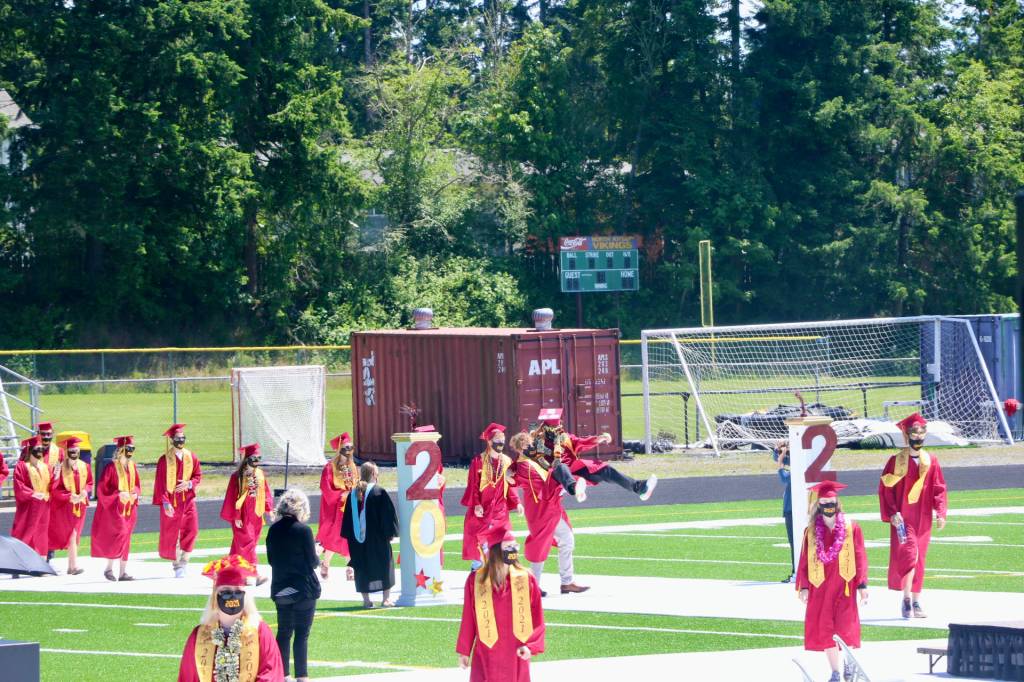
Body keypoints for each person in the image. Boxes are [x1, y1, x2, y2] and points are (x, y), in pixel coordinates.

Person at [797, 481, 868, 682]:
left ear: (837, 502)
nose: (828, 505)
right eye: (824, 502)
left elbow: (860, 555)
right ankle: (835, 671)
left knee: (845, 628)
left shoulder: (851, 527)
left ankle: (847, 661)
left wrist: (862, 585)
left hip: (844, 587)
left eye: (831, 501)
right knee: (826, 630)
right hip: (820, 588)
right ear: (818, 504)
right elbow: (803, 561)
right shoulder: (810, 532)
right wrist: (803, 587)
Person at [878, 412, 948, 619]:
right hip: (902, 519)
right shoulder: (896, 461)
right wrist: (892, 513)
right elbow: (885, 489)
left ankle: (916, 600)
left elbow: (939, 488)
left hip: (923, 518)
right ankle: (907, 598)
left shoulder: (931, 461)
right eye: (914, 435)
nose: (918, 438)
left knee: (920, 559)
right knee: (910, 554)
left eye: (921, 434)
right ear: (907, 437)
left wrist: (941, 512)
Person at [177, 554, 284, 682]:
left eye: (238, 591)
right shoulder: (199, 635)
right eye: (226, 591)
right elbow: (189, 676)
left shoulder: (260, 631)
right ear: (215, 596)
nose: (233, 597)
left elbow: (271, 674)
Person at [456, 529, 545, 681]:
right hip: (486, 651)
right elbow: (469, 618)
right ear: (496, 551)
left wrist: (531, 646)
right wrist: (464, 651)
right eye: (508, 547)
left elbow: (537, 617)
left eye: (514, 546)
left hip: (515, 651)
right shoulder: (476, 581)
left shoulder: (526, 579)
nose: (513, 550)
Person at [508, 431, 588, 595]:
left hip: (552, 507)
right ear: (520, 449)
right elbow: (540, 488)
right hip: (540, 510)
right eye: (526, 445)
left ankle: (567, 582)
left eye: (530, 444)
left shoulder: (534, 462)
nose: (530, 446)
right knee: (540, 546)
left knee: (567, 539)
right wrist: (559, 486)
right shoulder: (524, 466)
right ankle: (533, 586)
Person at [532, 408, 657, 501]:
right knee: (560, 466)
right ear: (546, 428)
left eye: (559, 426)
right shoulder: (538, 443)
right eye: (554, 428)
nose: (558, 430)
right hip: (554, 478)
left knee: (605, 470)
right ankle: (574, 488)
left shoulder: (565, 437)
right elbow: (537, 462)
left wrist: (599, 438)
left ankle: (640, 488)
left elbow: (582, 441)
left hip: (574, 471)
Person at [267, 489, 321, 682]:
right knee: (302, 634)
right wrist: (318, 556)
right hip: (303, 588)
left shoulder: (273, 530)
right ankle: (302, 676)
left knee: (283, 632)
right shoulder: (303, 530)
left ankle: (283, 674)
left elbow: (271, 560)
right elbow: (313, 562)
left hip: (281, 587)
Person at [461, 423, 523, 568]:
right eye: (497, 439)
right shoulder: (478, 461)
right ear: (489, 441)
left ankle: (509, 574)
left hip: (500, 511)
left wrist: (518, 502)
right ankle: (477, 572)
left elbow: (510, 485)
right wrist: (476, 504)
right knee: (481, 544)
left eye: (502, 439)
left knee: (507, 542)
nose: (500, 442)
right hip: (483, 509)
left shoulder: (507, 461)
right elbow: (473, 485)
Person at [340, 461, 399, 608]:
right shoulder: (379, 492)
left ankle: (366, 600)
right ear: (373, 474)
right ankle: (386, 599)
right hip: (377, 539)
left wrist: (353, 537)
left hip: (357, 540)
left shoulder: (353, 494)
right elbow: (387, 516)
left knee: (361, 567)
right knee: (385, 565)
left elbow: (347, 519)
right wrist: (390, 533)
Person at [153, 423, 202, 578]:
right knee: (172, 533)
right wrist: (165, 503)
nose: (180, 441)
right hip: (172, 502)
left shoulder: (191, 456)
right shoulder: (164, 460)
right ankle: (176, 566)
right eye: (177, 438)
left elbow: (197, 476)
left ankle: (184, 562)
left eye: (183, 438)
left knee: (192, 530)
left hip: (188, 501)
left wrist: (189, 484)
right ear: (171, 440)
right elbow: (160, 484)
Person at [221, 443, 272, 585]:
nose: (256, 461)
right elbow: (232, 498)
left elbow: (266, 492)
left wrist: (269, 509)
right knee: (247, 544)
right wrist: (236, 516)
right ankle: (255, 575)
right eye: (254, 458)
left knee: (242, 546)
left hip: (256, 516)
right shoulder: (237, 477)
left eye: (259, 458)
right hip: (242, 517)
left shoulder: (260, 474)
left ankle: (230, 574)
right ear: (247, 459)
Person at [92, 435, 141, 581]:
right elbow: (102, 490)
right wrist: (118, 494)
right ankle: (108, 568)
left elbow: (137, 486)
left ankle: (122, 572)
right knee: (120, 534)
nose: (130, 451)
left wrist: (135, 494)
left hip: (130, 509)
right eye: (128, 449)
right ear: (120, 450)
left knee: (127, 537)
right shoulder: (111, 467)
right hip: (116, 510)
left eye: (132, 449)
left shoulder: (132, 466)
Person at [48, 435, 93, 575]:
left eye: (77, 450)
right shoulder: (60, 468)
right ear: (67, 451)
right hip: (65, 507)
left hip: (80, 506)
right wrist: (69, 497)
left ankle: (71, 566)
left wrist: (86, 492)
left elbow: (90, 483)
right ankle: (73, 566)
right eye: (72, 451)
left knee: (76, 534)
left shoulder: (84, 466)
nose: (74, 453)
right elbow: (54, 488)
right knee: (72, 534)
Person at [316, 432, 358, 579]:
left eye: (350, 447)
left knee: (348, 537)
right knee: (334, 536)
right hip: (335, 509)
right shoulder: (329, 468)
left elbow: (356, 484)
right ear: (339, 449)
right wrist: (341, 495)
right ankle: (326, 563)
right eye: (346, 447)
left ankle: (350, 567)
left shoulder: (352, 466)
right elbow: (326, 488)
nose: (349, 450)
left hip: (350, 507)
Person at [12, 435, 53, 557]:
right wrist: (33, 494)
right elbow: (19, 486)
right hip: (29, 506)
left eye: (41, 449)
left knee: (41, 533)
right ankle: (19, 563)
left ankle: (40, 563)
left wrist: (56, 477)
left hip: (44, 506)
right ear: (30, 450)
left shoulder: (45, 467)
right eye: (37, 449)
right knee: (25, 532)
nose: (40, 451)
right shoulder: (22, 466)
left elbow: (51, 486)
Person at [776, 440, 795, 582]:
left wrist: (781, 457)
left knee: (794, 542)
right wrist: (778, 451)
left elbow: (783, 476)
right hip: (796, 509)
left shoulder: (796, 471)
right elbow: (776, 457)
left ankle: (796, 572)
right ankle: (796, 572)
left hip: (792, 510)